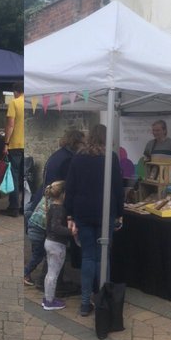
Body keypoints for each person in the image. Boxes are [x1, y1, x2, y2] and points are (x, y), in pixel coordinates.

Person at [64, 123, 125, 318]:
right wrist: (120, 213)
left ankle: (84, 303)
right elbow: (118, 188)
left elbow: (70, 188)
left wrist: (69, 215)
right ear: (106, 138)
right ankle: (102, 300)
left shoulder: (78, 158)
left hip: (83, 213)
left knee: (88, 257)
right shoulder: (111, 158)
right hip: (105, 212)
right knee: (103, 256)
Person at [40, 181, 70, 311]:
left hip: (49, 242)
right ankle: (49, 302)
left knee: (50, 272)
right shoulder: (60, 209)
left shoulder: (51, 206)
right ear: (63, 194)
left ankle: (48, 297)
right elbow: (56, 227)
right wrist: (71, 231)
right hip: (57, 244)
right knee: (53, 273)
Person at [1, 89, 25, 217]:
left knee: (14, 176)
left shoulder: (14, 103)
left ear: (16, 91)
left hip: (15, 144)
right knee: (25, 177)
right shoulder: (32, 101)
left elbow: (10, 125)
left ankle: (13, 207)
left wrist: (6, 143)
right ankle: (24, 207)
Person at [24, 190, 48, 289]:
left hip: (32, 229)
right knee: (38, 255)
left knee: (35, 253)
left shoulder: (42, 198)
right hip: (38, 233)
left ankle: (27, 273)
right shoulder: (49, 205)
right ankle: (26, 273)